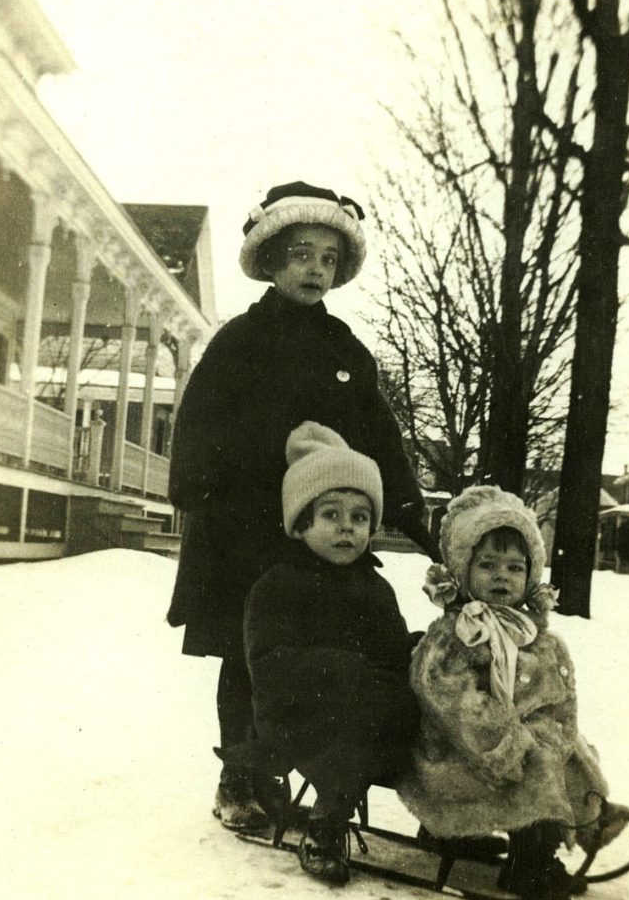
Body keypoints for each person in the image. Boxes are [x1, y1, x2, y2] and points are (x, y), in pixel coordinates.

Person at [166, 181, 438, 833]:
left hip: (321, 535)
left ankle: (325, 770)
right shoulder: (239, 343)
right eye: (299, 254)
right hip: (243, 531)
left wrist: (406, 509)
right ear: (270, 261)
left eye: (326, 258)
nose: (314, 269)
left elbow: (379, 437)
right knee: (249, 652)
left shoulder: (347, 352)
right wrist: (199, 489)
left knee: (317, 656)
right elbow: (199, 423)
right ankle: (243, 778)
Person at [397, 485, 624, 900]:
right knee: (536, 768)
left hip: (517, 739)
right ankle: (530, 864)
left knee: (567, 753)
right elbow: (451, 700)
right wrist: (507, 743)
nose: (502, 576)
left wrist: (553, 735)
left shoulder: (537, 638)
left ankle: (586, 817)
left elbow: (559, 699)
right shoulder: (455, 636)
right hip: (457, 750)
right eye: (487, 565)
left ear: (530, 576)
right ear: (463, 572)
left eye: (515, 567)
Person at [222, 421, 422, 885]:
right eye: (331, 515)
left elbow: (391, 652)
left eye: (359, 517)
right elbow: (269, 663)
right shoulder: (278, 585)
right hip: (295, 713)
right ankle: (325, 827)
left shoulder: (376, 587)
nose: (346, 528)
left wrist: (421, 651)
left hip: (364, 706)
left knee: (434, 711)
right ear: (301, 523)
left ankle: (445, 821)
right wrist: (349, 671)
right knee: (355, 732)